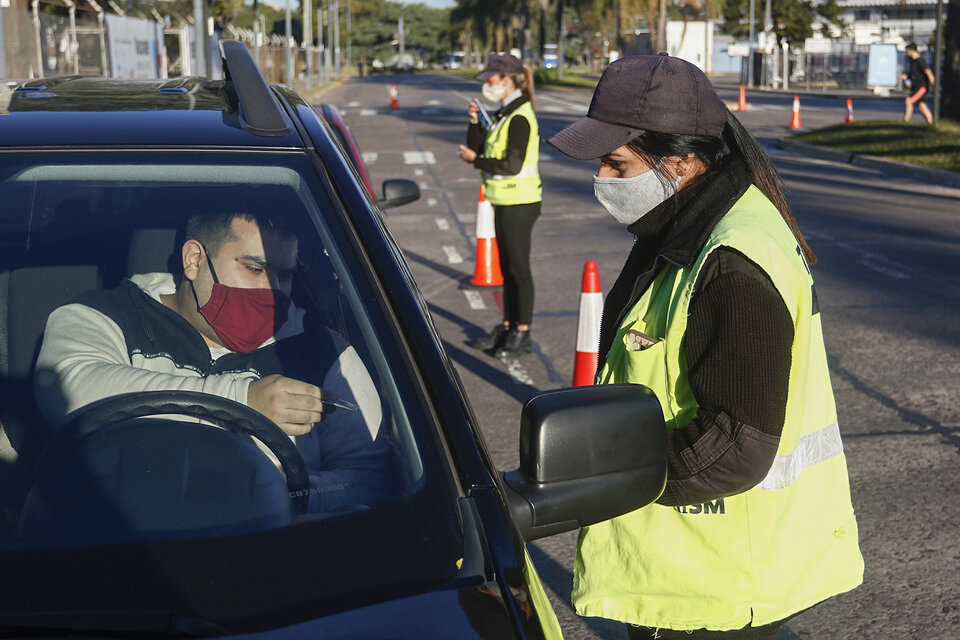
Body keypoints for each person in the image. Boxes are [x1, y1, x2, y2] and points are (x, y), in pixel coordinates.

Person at [547, 54, 864, 639]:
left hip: (709, 586)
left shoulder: (730, 258)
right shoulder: (687, 222)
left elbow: (736, 447)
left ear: (684, 160)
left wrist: (605, 471)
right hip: (705, 574)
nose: (603, 181)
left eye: (616, 164)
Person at [34, 212, 391, 512]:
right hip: (117, 540)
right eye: (255, 268)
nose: (273, 290)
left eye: (284, 275)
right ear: (194, 260)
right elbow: (69, 390)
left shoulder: (323, 351)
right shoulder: (100, 316)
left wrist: (280, 497)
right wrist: (243, 401)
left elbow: (371, 477)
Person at [458, 53, 541, 359]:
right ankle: (508, 324)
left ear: (508, 81)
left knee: (518, 269)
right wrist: (474, 121)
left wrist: (475, 160)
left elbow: (511, 164)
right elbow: (479, 146)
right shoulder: (506, 112)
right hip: (504, 199)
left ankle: (523, 333)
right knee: (508, 268)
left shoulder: (519, 116)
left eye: (491, 80)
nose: (487, 85)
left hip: (520, 201)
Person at [900, 42, 935, 124]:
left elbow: (928, 72)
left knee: (909, 100)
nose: (906, 54)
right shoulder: (913, 62)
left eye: (907, 51)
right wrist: (905, 78)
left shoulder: (921, 61)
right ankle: (931, 123)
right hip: (916, 87)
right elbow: (911, 75)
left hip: (922, 87)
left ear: (912, 50)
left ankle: (906, 121)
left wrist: (933, 84)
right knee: (922, 106)